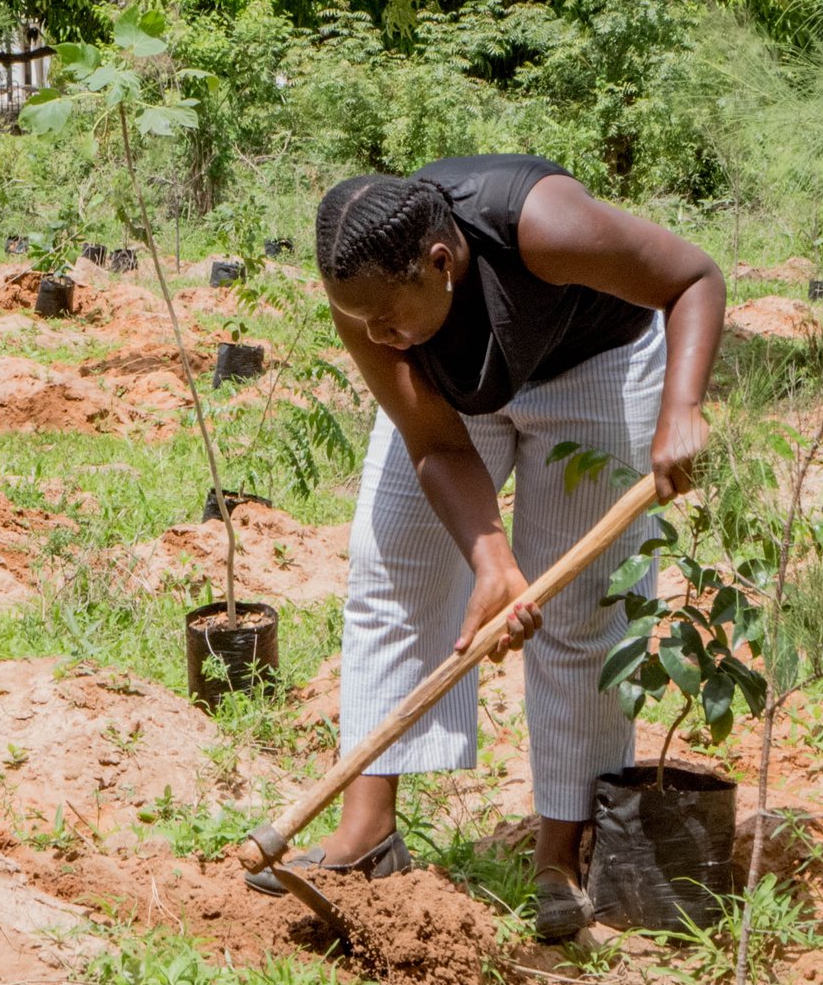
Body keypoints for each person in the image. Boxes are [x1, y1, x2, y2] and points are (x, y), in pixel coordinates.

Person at [248, 154, 724, 940]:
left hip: (592, 367)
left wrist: (682, 408)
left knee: (581, 610)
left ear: (441, 263)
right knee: (391, 561)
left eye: (387, 321)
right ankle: (366, 836)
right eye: (361, 322)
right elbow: (435, 445)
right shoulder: (364, 289)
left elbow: (694, 277)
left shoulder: (543, 227)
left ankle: (559, 856)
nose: (374, 338)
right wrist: (492, 559)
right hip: (463, 389)